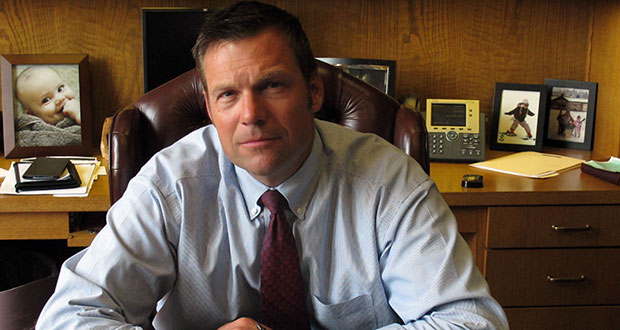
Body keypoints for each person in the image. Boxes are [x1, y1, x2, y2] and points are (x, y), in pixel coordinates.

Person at [37, 2, 508, 329]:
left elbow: (471, 321)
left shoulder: (388, 183)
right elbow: (69, 317)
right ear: (209, 107)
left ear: (314, 92)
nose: (250, 115)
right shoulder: (170, 185)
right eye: (228, 95)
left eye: (273, 86)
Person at [14, 66, 81, 147]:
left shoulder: (80, 109)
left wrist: (79, 114)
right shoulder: (35, 134)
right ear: (32, 115)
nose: (60, 98)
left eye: (60, 89)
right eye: (46, 100)